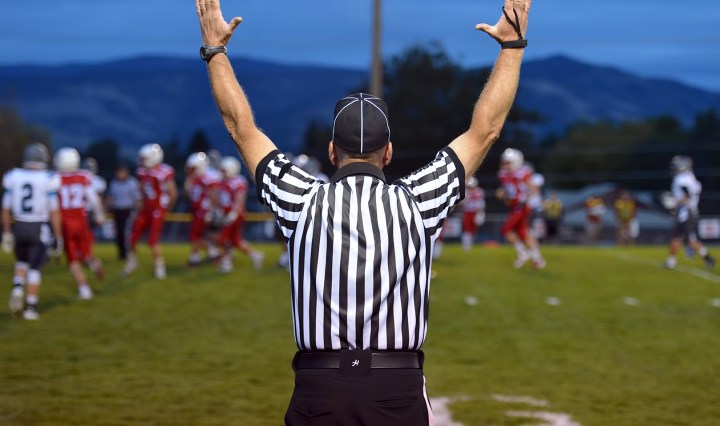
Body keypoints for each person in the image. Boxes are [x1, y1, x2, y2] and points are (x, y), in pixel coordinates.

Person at [195, 0, 531, 423]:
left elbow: (241, 128)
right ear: (388, 152)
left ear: (331, 151)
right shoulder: (417, 200)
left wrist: (215, 51)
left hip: (319, 388)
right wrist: (511, 47)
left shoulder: (301, 198)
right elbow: (485, 131)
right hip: (396, 387)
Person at [2, 143, 63, 320]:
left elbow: (5, 209)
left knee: (22, 261)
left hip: (19, 225)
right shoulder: (48, 178)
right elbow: (54, 211)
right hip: (38, 226)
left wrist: (6, 232)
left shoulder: (14, 176)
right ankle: (31, 308)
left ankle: (18, 288)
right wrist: (58, 236)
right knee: (35, 267)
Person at [54, 148, 105, 299]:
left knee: (73, 260)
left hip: (66, 224)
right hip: (82, 221)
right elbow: (94, 199)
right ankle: (95, 264)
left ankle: (84, 290)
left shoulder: (55, 179)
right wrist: (100, 216)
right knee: (86, 253)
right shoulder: (83, 177)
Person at [123, 144, 177, 279]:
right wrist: (140, 202)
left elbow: (173, 193)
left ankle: (160, 265)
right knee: (132, 236)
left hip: (157, 209)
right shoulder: (142, 171)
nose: (142, 160)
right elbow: (142, 190)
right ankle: (132, 262)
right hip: (146, 208)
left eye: (145, 158)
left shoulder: (163, 172)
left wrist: (166, 208)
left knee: (152, 240)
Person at [496, 148, 546, 269]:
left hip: (521, 207)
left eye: (508, 162)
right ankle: (538, 260)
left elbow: (533, 188)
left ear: (516, 162)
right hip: (514, 207)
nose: (505, 165)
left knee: (505, 230)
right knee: (524, 234)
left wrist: (527, 199)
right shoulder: (503, 174)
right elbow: (506, 188)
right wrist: (502, 193)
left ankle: (522, 252)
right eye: (504, 162)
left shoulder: (522, 173)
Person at [663, 156, 714, 270]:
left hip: (686, 213)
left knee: (688, 240)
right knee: (677, 237)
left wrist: (674, 202)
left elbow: (687, 196)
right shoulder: (691, 177)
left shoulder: (681, 179)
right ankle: (671, 262)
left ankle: (708, 258)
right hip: (689, 212)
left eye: (676, 166)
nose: (674, 169)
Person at [215, 156, 263, 272]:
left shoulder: (238, 182)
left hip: (235, 214)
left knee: (222, 239)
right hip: (227, 214)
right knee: (235, 241)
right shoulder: (222, 182)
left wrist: (233, 214)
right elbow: (221, 199)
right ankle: (255, 255)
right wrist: (219, 211)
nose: (222, 173)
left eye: (224, 170)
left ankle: (226, 262)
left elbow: (239, 201)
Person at [184, 152, 221, 265]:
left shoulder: (208, 178)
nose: (191, 171)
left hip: (205, 211)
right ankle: (213, 253)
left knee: (197, 235)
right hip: (197, 210)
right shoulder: (195, 178)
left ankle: (195, 257)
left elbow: (214, 196)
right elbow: (188, 193)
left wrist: (212, 211)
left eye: (193, 168)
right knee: (199, 236)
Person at [105, 163, 142, 260]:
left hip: (128, 210)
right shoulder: (114, 183)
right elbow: (111, 197)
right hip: (117, 210)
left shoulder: (132, 183)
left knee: (126, 232)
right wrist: (106, 208)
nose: (120, 174)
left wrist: (138, 211)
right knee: (119, 232)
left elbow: (137, 198)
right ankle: (122, 253)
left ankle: (129, 252)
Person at [460, 176, 486, 250]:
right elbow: (461, 203)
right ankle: (466, 245)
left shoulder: (479, 192)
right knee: (466, 228)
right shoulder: (465, 192)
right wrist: (466, 199)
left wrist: (481, 212)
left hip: (476, 212)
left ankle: (470, 244)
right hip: (467, 211)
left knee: (473, 229)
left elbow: (482, 203)